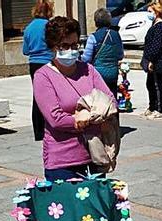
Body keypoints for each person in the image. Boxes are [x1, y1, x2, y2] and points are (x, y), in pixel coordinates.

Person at [33, 16, 117, 180]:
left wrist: (86, 116)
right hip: (62, 162)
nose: (71, 50)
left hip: (95, 155)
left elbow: (110, 101)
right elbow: (55, 118)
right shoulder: (43, 76)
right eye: (64, 46)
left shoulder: (89, 70)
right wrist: (83, 118)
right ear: (52, 47)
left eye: (74, 45)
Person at [22, 0, 55, 142]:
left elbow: (25, 50)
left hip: (34, 64)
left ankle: (38, 131)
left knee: (37, 96)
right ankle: (51, 127)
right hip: (48, 62)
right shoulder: (49, 26)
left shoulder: (28, 28)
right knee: (52, 95)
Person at [81, 8, 125, 94]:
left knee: (99, 98)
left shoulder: (93, 37)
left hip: (98, 74)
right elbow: (120, 55)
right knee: (112, 97)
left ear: (96, 22)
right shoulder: (116, 35)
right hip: (113, 73)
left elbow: (86, 59)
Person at [141, 1, 162, 119]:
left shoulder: (160, 26)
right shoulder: (154, 24)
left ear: (157, 12)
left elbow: (156, 46)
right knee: (150, 84)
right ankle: (152, 106)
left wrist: (151, 61)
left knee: (157, 85)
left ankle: (159, 109)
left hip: (157, 61)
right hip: (151, 59)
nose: (148, 13)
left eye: (150, 11)